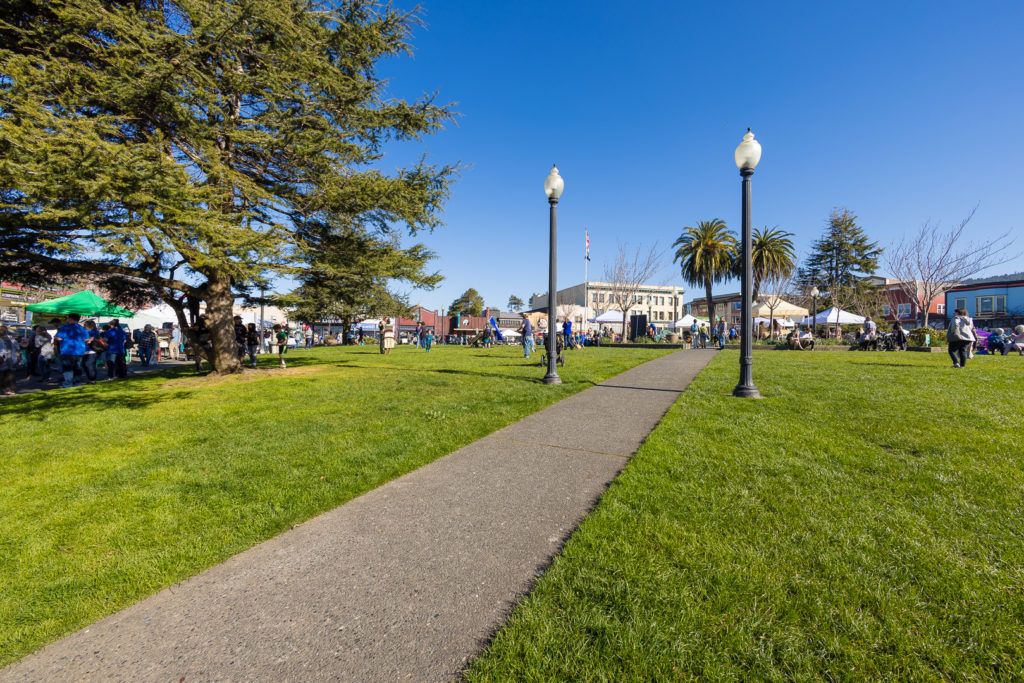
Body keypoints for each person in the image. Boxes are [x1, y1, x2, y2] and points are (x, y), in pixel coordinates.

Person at [55, 313, 89, 388]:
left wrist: (58, 338)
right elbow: (86, 339)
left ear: (70, 319)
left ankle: (68, 383)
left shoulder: (65, 328)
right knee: (77, 368)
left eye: (68, 318)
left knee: (68, 368)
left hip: (67, 350)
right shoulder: (82, 328)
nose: (67, 319)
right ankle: (77, 383)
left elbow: (59, 338)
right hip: (79, 351)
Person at [82, 319, 105, 384]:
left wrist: (88, 340)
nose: (84, 325)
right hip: (85, 350)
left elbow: (93, 338)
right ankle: (91, 379)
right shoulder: (86, 330)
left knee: (89, 364)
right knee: (86, 365)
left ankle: (92, 379)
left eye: (85, 324)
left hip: (92, 350)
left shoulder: (94, 331)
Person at [0, 324, 20, 395]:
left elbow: (17, 349)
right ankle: (7, 390)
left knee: (9, 376)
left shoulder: (10, 339)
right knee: (7, 376)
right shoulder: (9, 339)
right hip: (7, 361)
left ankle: (9, 390)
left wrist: (18, 357)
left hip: (9, 361)